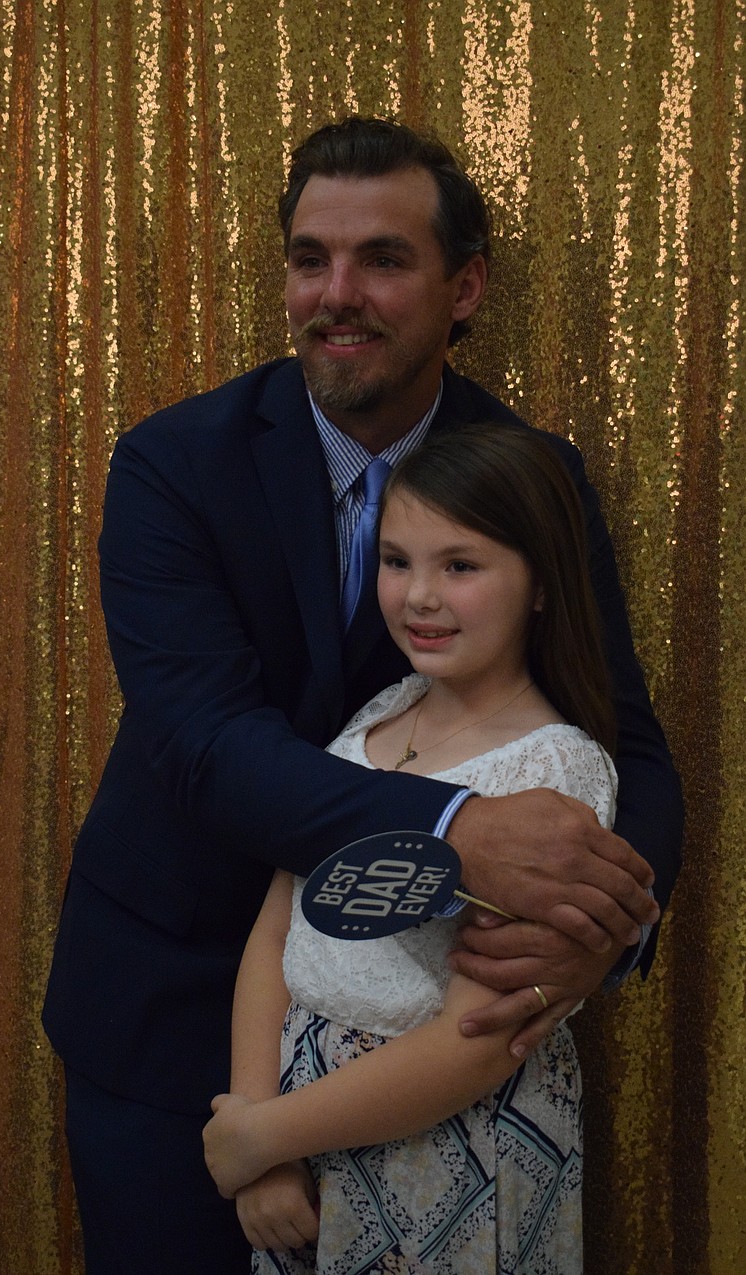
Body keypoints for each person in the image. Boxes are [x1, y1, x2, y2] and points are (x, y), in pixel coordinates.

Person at [42, 116, 681, 1272]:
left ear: (463, 284)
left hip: (425, 1058)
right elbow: (204, 744)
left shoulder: (533, 475)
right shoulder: (172, 463)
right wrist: (454, 833)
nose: (336, 295)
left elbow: (623, 738)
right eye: (308, 259)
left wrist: (599, 937)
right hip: (171, 1013)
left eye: (383, 258)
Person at [202, 423, 620, 1272]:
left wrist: (259, 1135)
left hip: (447, 1147)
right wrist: (258, 1125)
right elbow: (278, 931)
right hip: (301, 1129)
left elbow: (480, 1034)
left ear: (540, 584)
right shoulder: (376, 717)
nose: (419, 596)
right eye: (397, 561)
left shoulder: (554, 772)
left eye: (459, 566)